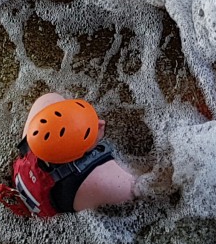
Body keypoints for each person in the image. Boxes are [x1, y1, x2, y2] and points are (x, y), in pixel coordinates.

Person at [12, 93, 176, 217]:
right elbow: (147, 192)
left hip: (25, 178)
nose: (101, 123)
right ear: (78, 155)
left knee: (53, 98)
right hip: (49, 210)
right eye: (90, 132)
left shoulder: (43, 107)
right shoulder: (100, 181)